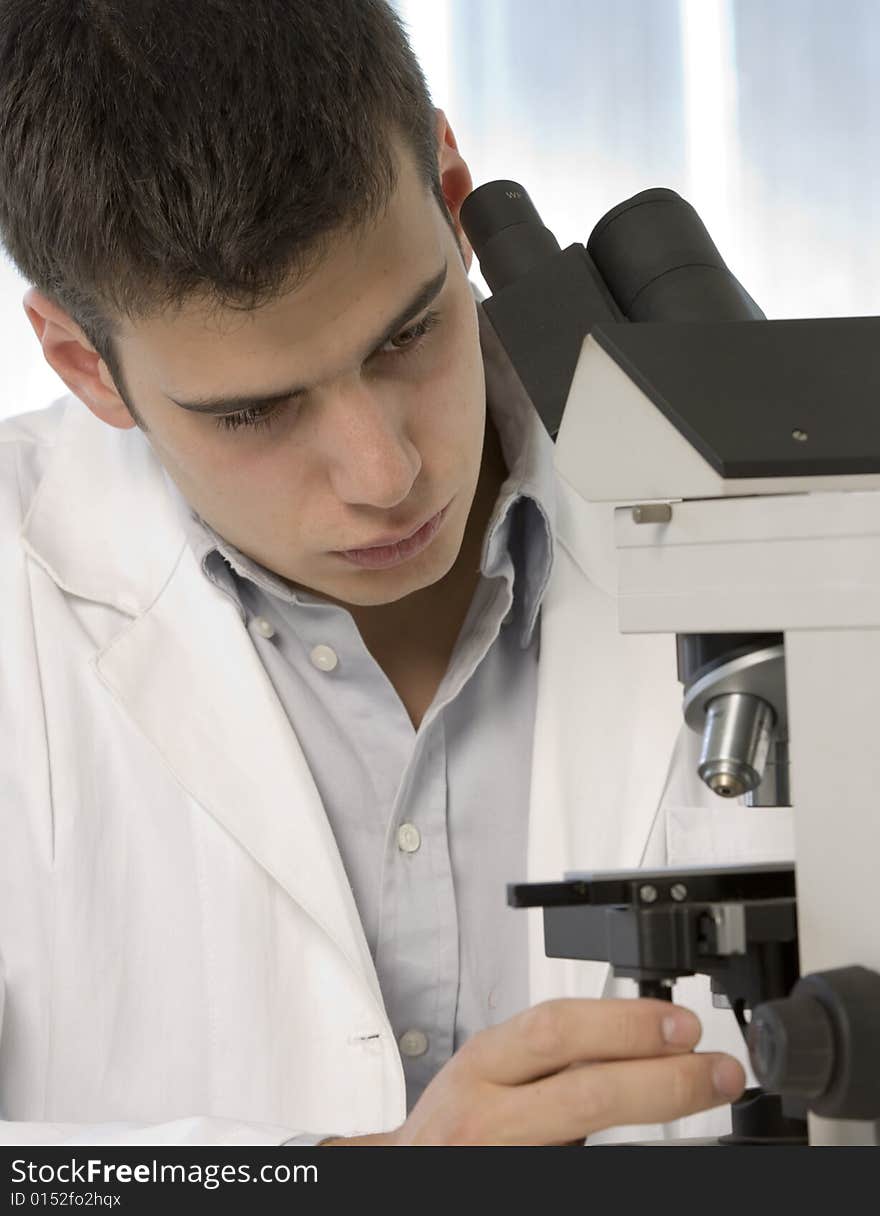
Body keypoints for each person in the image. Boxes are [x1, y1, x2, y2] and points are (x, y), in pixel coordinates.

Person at [0, 0, 770, 1146]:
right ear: (83, 363)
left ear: (453, 192)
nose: (384, 469)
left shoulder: (792, 528)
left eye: (406, 335)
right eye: (254, 411)